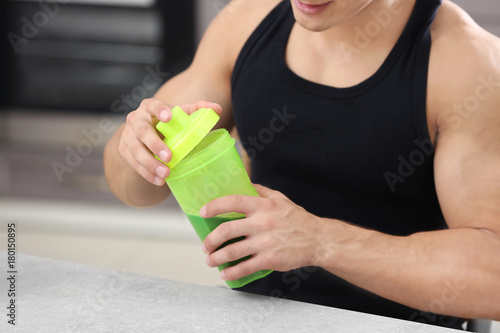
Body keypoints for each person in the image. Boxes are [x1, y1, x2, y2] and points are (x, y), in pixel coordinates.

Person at [104, 0, 500, 329]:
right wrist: (141, 150)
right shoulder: (244, 22)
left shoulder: (467, 65)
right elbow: (131, 189)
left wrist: (320, 242)